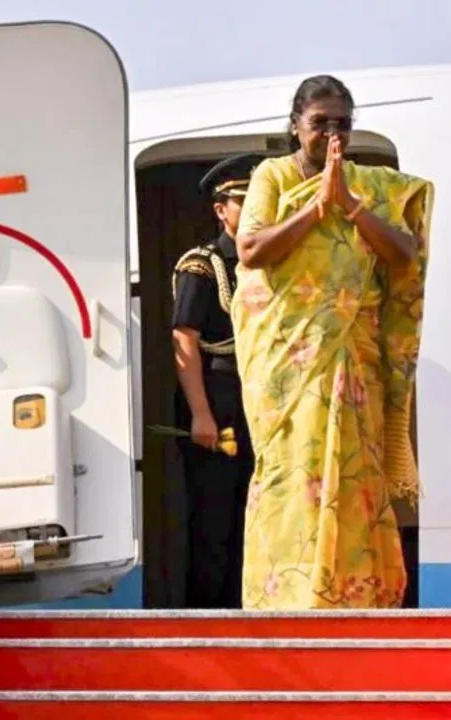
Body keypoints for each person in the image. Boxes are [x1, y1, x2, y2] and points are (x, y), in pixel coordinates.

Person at [232, 75, 434, 610]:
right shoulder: (274, 176)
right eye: (319, 123)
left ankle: (357, 596)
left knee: (355, 474)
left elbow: (405, 254)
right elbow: (251, 249)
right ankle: (289, 597)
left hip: (353, 357)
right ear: (296, 124)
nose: (330, 134)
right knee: (291, 473)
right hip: (291, 363)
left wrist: (350, 204)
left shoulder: (370, 185)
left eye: (341, 124)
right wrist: (318, 207)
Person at [170, 153, 258, 609]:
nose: (256, 208)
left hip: (260, 402)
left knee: (254, 512)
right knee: (214, 515)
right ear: (221, 209)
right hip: (219, 399)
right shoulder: (202, 265)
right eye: (244, 200)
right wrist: (201, 415)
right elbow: (184, 339)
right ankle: (208, 617)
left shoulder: (268, 262)